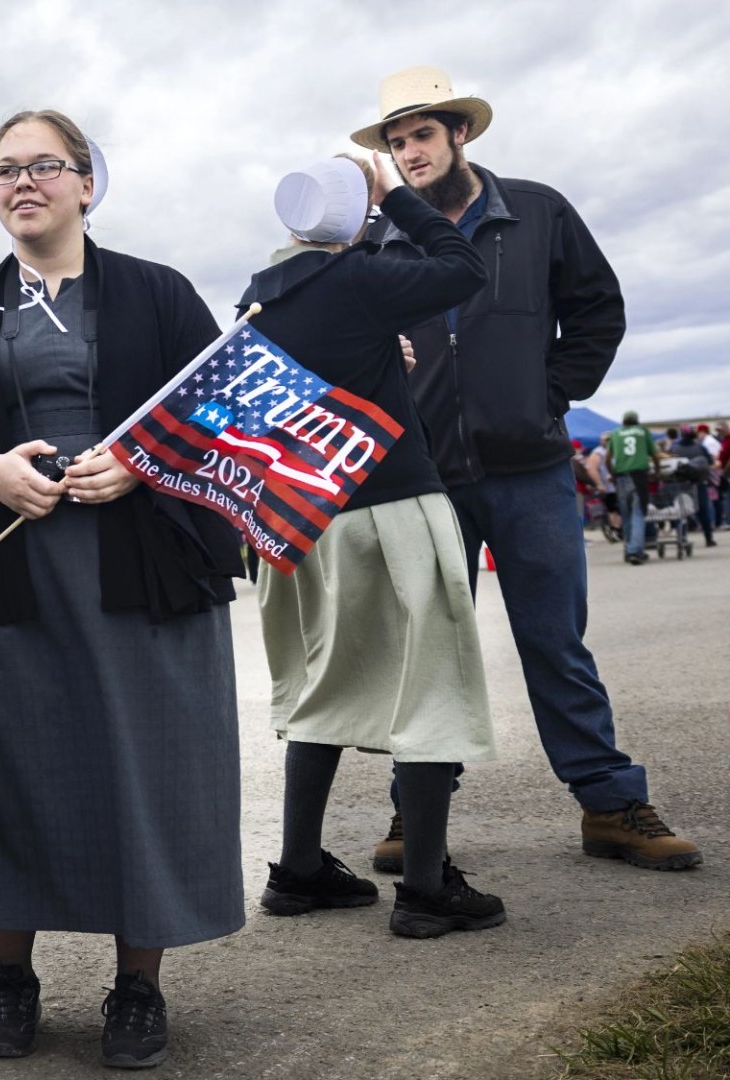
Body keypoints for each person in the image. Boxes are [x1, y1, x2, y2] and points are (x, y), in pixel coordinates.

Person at [0, 109, 243, 1070]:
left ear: (87, 184)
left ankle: (138, 989)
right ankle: (11, 979)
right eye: (5, 170)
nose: (22, 183)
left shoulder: (159, 293)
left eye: (45, 167)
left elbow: (228, 418)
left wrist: (145, 465)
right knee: (10, 776)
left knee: (145, 774)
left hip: (141, 574)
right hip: (4, 581)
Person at [356, 66, 700, 870]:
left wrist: (549, 395)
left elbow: (596, 311)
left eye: (421, 136)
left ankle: (612, 806)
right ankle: (417, 818)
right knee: (429, 653)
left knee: (555, 643)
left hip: (531, 467)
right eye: (395, 141)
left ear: (459, 134)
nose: (408, 153)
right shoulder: (378, 238)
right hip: (424, 478)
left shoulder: (539, 212)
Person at [246, 153, 507, 940]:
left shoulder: (260, 301)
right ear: (354, 217)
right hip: (392, 500)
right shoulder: (359, 278)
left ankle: (298, 870)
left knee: (322, 685)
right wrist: (396, 192)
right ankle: (426, 889)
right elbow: (464, 264)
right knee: (431, 684)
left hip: (303, 515)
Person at [606, 412, 657, 564]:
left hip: (621, 477)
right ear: (637, 421)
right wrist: (658, 472)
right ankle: (635, 551)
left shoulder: (615, 433)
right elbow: (654, 454)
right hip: (638, 477)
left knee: (626, 515)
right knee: (638, 513)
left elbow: (608, 458)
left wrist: (612, 473)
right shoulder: (643, 431)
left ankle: (629, 549)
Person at [665, 428, 716, 547]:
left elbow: (669, 464)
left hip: (680, 484)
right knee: (703, 511)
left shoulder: (674, 448)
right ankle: (708, 538)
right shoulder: (700, 448)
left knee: (680, 511)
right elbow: (709, 462)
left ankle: (681, 537)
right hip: (698, 483)